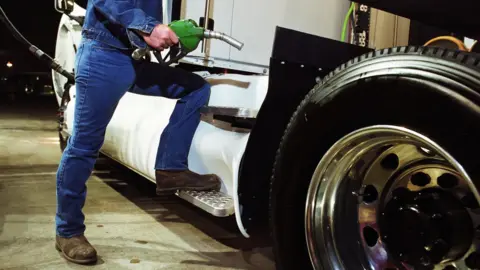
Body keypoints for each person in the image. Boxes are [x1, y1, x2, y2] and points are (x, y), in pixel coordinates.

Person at [55, 0, 220, 264]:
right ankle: (68, 231)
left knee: (197, 89)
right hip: (102, 56)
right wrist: (149, 27)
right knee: (84, 147)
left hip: (134, 59)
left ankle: (171, 169)